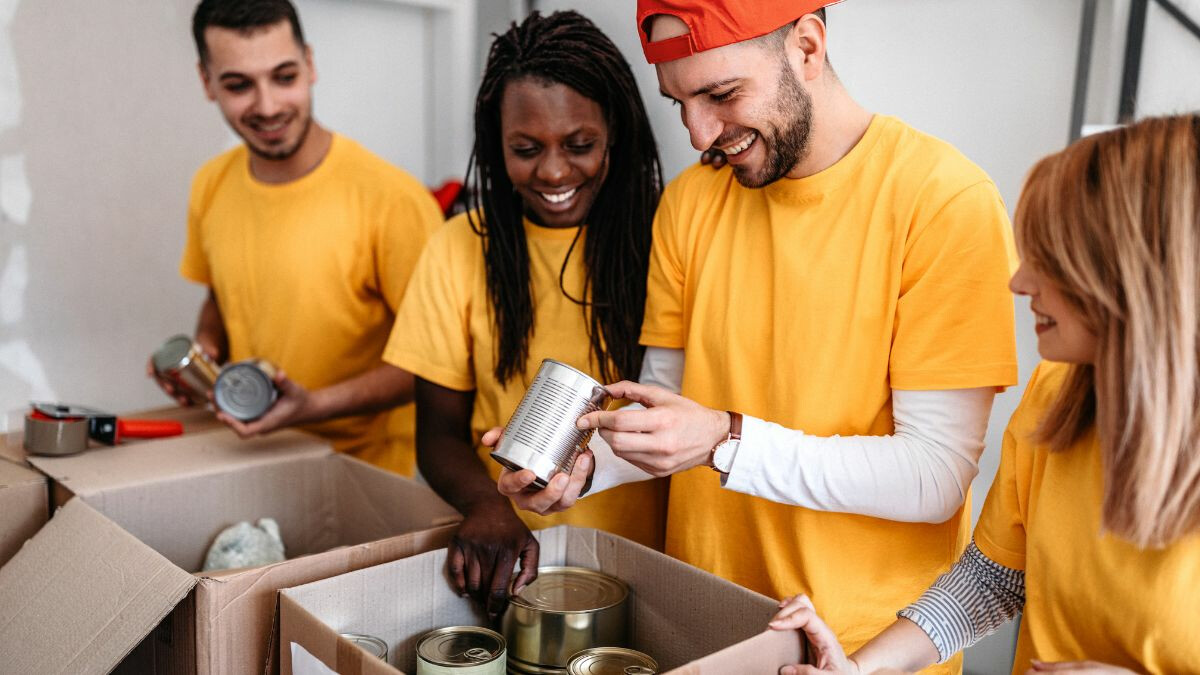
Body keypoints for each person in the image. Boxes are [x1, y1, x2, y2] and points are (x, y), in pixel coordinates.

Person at [496, 2, 1018, 671]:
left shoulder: (945, 203)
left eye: (721, 94)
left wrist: (725, 438)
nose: (698, 132)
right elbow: (667, 405)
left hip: (858, 647)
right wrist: (586, 467)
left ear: (806, 46)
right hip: (698, 625)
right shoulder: (691, 202)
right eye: (679, 100)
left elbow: (935, 475)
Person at [770, 114, 1200, 675]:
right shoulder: (1056, 397)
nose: (1020, 283)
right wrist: (858, 669)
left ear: (1132, 274)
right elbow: (991, 582)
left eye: (1053, 261)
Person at [383, 11, 669, 619]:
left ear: (614, 130)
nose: (555, 172)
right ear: (496, 142)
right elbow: (435, 433)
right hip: (511, 562)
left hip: (648, 566)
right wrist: (491, 506)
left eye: (580, 144)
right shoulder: (460, 247)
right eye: (525, 148)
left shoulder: (664, 240)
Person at [151, 0, 443, 475]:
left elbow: (439, 367)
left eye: (284, 77)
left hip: (365, 472)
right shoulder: (211, 183)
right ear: (207, 83)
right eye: (239, 85)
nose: (267, 106)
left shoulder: (393, 200)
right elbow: (223, 293)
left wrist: (313, 405)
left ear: (310, 64)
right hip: (251, 456)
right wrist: (204, 352)